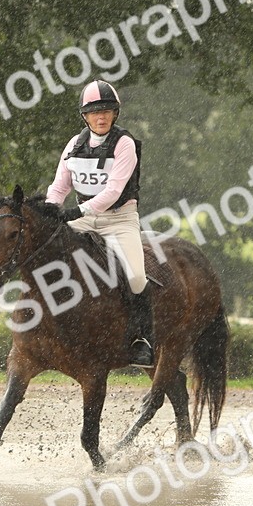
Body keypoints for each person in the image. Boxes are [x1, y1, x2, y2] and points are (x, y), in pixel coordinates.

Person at [45, 79, 154, 367]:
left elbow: (113, 192)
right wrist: (50, 210)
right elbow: (58, 188)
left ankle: (141, 340)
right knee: (45, 250)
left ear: (115, 113)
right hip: (85, 218)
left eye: (107, 110)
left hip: (119, 219)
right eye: (95, 112)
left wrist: (76, 212)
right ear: (85, 116)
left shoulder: (125, 143)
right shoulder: (74, 144)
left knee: (136, 276)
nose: (101, 116)